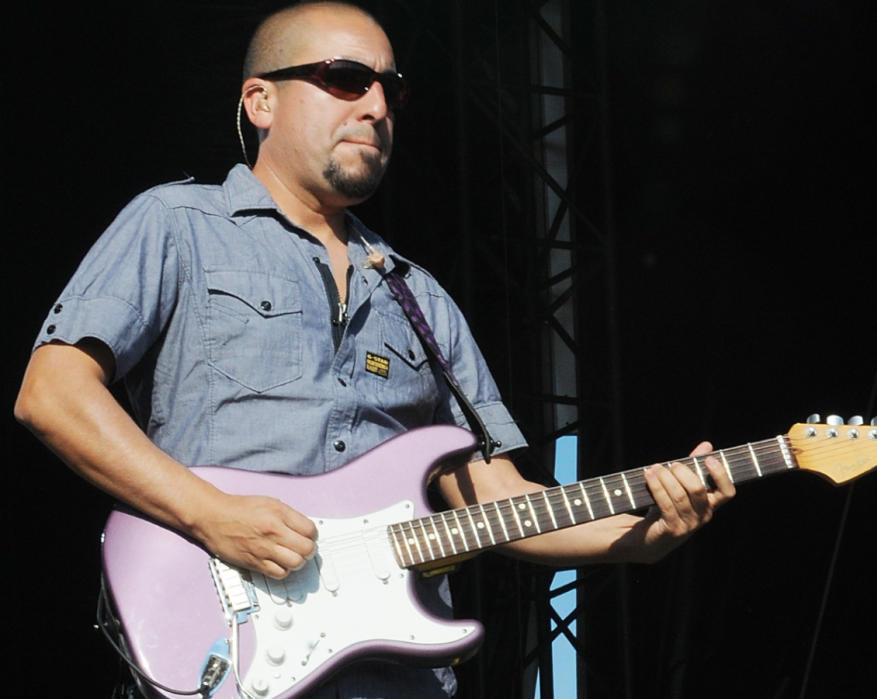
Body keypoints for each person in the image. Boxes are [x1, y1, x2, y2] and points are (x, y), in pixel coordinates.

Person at [12, 2, 734, 697]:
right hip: (228, 654)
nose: (377, 107)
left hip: (395, 679)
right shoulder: (177, 225)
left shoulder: (419, 297)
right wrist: (210, 513)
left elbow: (499, 498)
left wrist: (637, 533)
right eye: (345, 79)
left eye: (390, 88)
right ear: (261, 101)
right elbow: (53, 394)